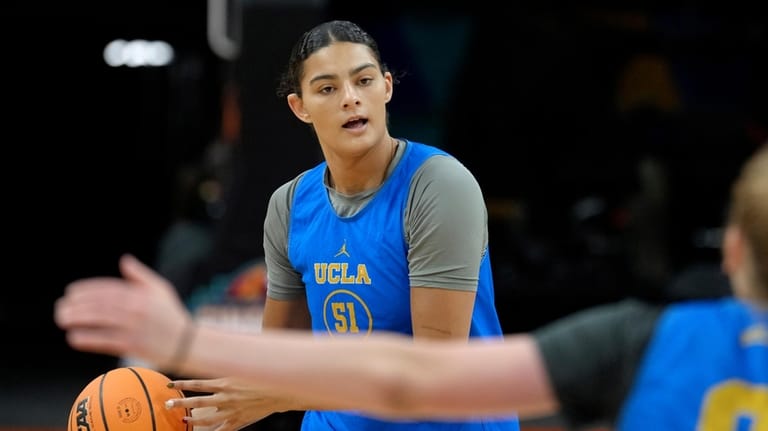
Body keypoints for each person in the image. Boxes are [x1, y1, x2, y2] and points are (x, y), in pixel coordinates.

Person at [56, 142, 768, 430]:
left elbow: (413, 376)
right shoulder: (299, 210)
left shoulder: (656, 339)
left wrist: (187, 339)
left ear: (732, 250)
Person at [57, 19, 519, 431]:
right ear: (300, 107)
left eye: (363, 80)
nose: (350, 97)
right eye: (327, 88)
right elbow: (278, 357)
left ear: (386, 87)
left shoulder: (437, 185)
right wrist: (196, 410)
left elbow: (434, 370)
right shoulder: (291, 204)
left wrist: (273, 392)